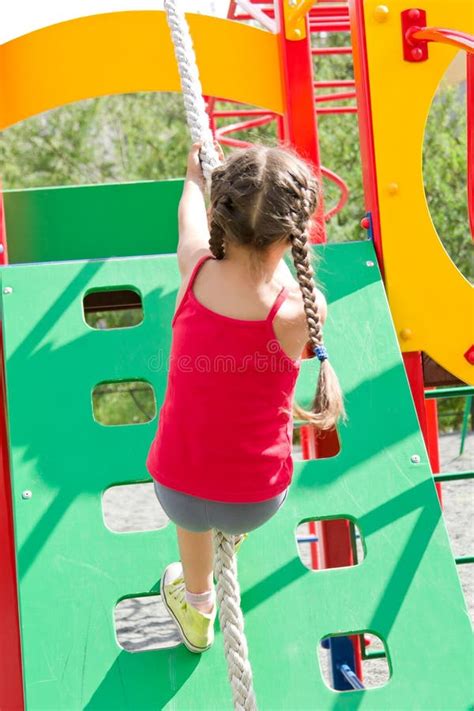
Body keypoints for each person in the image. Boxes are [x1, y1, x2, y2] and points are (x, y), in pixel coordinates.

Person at [146, 142, 346, 653]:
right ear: (295, 234)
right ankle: (230, 534)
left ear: (222, 216)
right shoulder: (302, 308)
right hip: (257, 500)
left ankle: (198, 605)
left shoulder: (195, 271)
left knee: (191, 510)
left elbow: (188, 221)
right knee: (228, 496)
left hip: (176, 487)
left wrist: (195, 178)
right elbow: (270, 281)